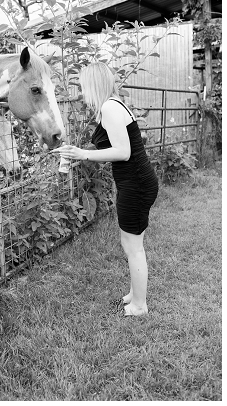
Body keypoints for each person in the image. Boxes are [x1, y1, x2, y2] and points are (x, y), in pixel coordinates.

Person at [57, 63, 158, 317]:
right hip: (136, 181)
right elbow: (115, 148)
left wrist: (83, 154)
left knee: (133, 246)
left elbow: (123, 153)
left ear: (93, 84)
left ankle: (139, 306)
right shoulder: (113, 104)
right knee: (131, 243)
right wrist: (78, 154)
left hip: (135, 184)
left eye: (82, 85)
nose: (81, 91)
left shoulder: (109, 107)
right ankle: (135, 295)